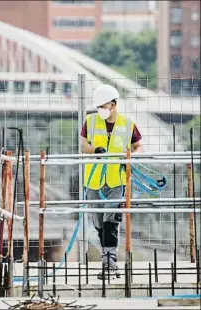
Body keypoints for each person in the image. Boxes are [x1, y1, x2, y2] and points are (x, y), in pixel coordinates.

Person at [80, 84, 143, 280]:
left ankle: (110, 261)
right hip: (94, 181)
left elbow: (138, 146)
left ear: (113, 105)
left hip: (116, 180)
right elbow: (83, 144)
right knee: (99, 222)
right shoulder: (90, 121)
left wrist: (130, 157)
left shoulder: (127, 123)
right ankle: (108, 258)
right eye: (98, 106)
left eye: (103, 106)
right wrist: (94, 151)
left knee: (110, 221)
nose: (100, 109)